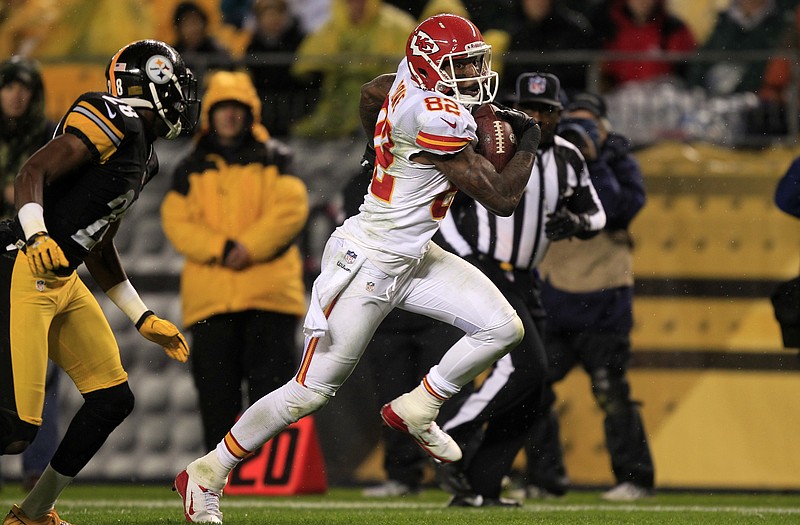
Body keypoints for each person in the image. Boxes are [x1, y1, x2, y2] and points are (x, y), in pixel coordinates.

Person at [174, 13, 542, 523]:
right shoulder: (431, 114)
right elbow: (502, 198)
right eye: (460, 65)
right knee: (308, 392)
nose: (473, 75)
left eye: (473, 63)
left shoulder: (404, 84)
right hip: (368, 263)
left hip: (413, 256)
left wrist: (378, 150)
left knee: (503, 327)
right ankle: (208, 471)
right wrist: (531, 141)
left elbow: (372, 93)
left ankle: (420, 404)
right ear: (430, 67)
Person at [0, 39, 197, 525]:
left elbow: (100, 242)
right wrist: (38, 230)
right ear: (147, 81)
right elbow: (34, 171)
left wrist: (141, 315)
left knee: (112, 399)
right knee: (15, 430)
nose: (182, 96)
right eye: (173, 82)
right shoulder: (113, 116)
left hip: (61, 280)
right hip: (23, 265)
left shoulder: (144, 156)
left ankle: (33, 513)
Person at [434, 72, 606, 507]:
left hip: (527, 276)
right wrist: (463, 256)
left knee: (536, 389)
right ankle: (447, 435)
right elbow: (447, 200)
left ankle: (480, 486)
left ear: (559, 114)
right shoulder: (490, 144)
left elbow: (596, 214)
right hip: (487, 268)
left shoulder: (568, 157)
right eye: (528, 109)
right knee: (525, 369)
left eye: (545, 110)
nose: (536, 118)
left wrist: (577, 223)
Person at [161, 70, 309, 453]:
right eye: (222, 108)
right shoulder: (189, 166)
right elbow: (176, 222)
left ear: (250, 113)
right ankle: (223, 476)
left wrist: (243, 247)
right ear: (210, 114)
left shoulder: (277, 157)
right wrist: (226, 248)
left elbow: (291, 209)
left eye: (236, 108)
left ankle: (270, 473)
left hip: (267, 297)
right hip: (216, 300)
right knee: (216, 398)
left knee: (272, 395)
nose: (229, 116)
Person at [523, 91, 653, 502]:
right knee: (532, 390)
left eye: (587, 125)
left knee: (611, 391)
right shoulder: (547, 156)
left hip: (605, 300)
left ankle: (635, 478)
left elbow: (616, 208)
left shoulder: (617, 157)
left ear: (603, 126)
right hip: (556, 295)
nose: (578, 133)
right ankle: (546, 479)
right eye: (571, 124)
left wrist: (594, 159)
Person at [0, 56, 63, 493]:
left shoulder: (50, 136)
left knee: (43, 370)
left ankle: (37, 468)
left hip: (35, 255)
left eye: (24, 86)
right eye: (9, 86)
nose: (17, 95)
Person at [289, 0, 417, 138]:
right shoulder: (333, 27)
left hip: (384, 94)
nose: (356, 6)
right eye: (350, 2)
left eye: (361, 2)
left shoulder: (395, 24)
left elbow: (412, 60)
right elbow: (305, 63)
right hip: (339, 98)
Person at [244, 0, 317, 138]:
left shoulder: (299, 41)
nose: (272, 20)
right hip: (265, 112)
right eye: (267, 15)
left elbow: (307, 78)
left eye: (277, 14)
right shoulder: (253, 46)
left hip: (295, 109)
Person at [499, 0, 600, 97]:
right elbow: (510, 79)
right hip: (523, 99)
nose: (537, 2)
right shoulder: (517, 33)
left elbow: (578, 77)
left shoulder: (574, 30)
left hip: (566, 98)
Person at [687, 0, 787, 97]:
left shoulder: (779, 26)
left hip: (752, 102)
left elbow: (765, 69)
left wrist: (739, 94)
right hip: (710, 97)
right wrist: (696, 87)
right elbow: (703, 59)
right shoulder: (723, 21)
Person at [592, 0, 697, 89]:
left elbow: (687, 71)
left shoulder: (673, 29)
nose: (641, 1)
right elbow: (600, 69)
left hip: (663, 96)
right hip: (618, 97)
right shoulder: (607, 27)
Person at [172, 1, 234, 85]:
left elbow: (228, 75)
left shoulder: (217, 51)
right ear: (179, 27)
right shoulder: (172, 54)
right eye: (188, 24)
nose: (194, 29)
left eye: (196, 22)